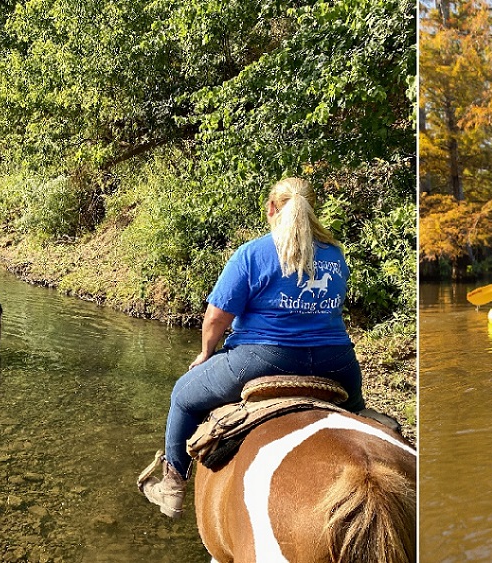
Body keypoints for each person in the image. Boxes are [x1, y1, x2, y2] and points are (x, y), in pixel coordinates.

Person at [135, 177, 367, 518]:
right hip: (337, 362)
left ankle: (172, 486)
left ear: (271, 209)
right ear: (311, 209)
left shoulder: (253, 253)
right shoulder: (335, 255)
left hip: (262, 359)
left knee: (183, 395)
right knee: (360, 415)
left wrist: (205, 354)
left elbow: (216, 318)